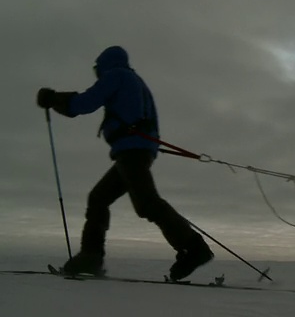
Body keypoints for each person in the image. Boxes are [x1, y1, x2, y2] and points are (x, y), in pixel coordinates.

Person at [36, 46, 213, 280]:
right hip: (135, 150)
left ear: (103, 65)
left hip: (132, 150)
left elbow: (85, 103)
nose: (97, 75)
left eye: (96, 70)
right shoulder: (133, 79)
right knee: (99, 198)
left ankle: (194, 249)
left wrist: (53, 99)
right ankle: (91, 256)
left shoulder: (116, 75)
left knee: (146, 203)